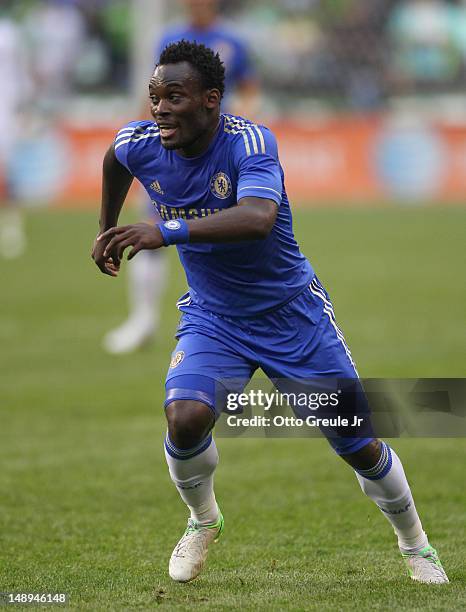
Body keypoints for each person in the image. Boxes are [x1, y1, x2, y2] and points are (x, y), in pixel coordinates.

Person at [92, 41, 448, 585]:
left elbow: (258, 217)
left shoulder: (250, 142)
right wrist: (107, 228)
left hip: (292, 316)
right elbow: (114, 159)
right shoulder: (140, 142)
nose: (160, 108)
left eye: (175, 96)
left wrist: (164, 230)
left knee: (357, 442)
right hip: (214, 318)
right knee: (184, 418)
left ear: (211, 100)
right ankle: (202, 519)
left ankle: (415, 543)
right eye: (154, 96)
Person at [102, 0, 259, 354]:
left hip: (220, 152)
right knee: (149, 225)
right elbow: (155, 93)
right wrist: (148, 133)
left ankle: (229, 319)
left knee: (230, 230)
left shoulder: (233, 40)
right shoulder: (170, 37)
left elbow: (250, 86)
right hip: (175, 152)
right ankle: (142, 319)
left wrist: (248, 117)